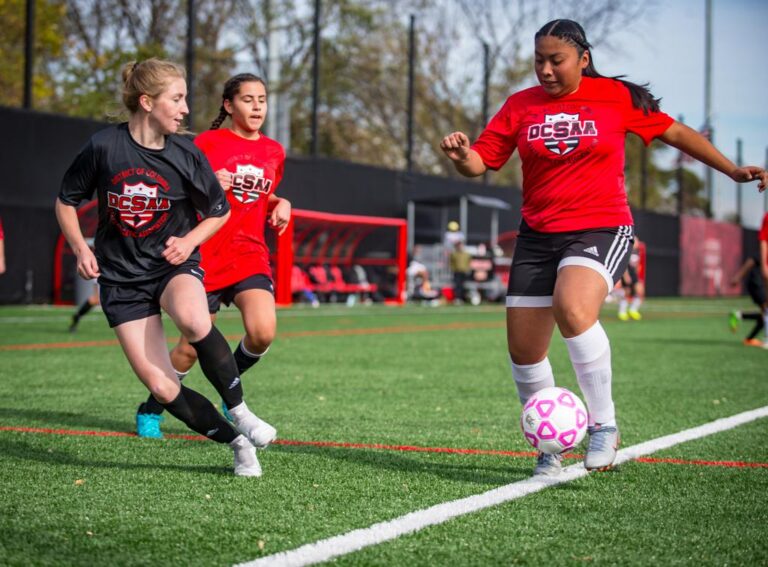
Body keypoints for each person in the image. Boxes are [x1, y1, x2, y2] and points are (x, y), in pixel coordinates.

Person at [440, 19, 768, 476]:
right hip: (537, 236)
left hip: (601, 227)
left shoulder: (615, 99)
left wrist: (731, 171)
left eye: (557, 61)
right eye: (539, 61)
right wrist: (461, 156)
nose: (547, 70)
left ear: (583, 60)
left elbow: (676, 133)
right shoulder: (520, 105)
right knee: (523, 350)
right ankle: (549, 449)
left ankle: (604, 425)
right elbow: (481, 161)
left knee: (572, 307)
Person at [55, 58, 276, 477]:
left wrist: (189, 241)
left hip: (171, 267)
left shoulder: (185, 152)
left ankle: (241, 412)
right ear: (146, 101)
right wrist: (79, 249)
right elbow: (66, 200)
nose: (186, 108)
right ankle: (238, 443)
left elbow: (218, 210)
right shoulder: (104, 146)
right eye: (177, 98)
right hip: (121, 280)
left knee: (195, 319)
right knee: (162, 386)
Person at [134, 73, 291, 438]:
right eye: (248, 99)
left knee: (262, 332)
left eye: (262, 99)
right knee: (189, 351)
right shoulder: (205, 144)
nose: (257, 106)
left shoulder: (274, 151)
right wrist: (207, 186)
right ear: (229, 105)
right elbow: (174, 191)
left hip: (250, 254)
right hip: (205, 256)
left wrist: (282, 201)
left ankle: (229, 388)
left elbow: (261, 195)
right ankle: (151, 408)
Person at [728, 256, 766, 347]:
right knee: (766, 312)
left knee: (765, 314)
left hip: (762, 285)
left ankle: (749, 338)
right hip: (757, 284)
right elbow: (751, 261)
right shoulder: (764, 247)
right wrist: (737, 277)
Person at [617, 238, 644, 321]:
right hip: (627, 274)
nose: (637, 243)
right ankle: (622, 312)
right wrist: (626, 276)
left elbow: (636, 265)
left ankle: (633, 310)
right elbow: (623, 265)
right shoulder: (626, 251)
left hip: (634, 275)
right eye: (636, 241)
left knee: (639, 291)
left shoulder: (637, 252)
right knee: (627, 293)